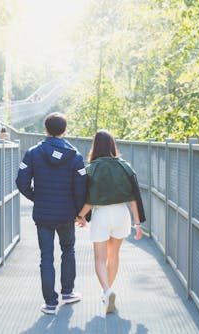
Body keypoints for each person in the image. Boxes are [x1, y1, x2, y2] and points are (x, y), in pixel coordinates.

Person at [16, 112, 87, 315]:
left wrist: (36, 198)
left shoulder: (32, 153)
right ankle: (68, 292)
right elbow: (81, 187)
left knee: (46, 256)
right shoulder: (75, 156)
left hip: (43, 214)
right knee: (68, 251)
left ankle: (49, 303)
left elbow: (21, 182)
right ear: (65, 131)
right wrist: (78, 212)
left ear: (45, 130)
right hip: (66, 214)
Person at [75, 130, 145, 314]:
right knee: (114, 255)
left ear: (95, 145)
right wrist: (138, 224)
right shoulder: (125, 166)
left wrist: (80, 216)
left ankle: (107, 291)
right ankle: (107, 292)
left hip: (101, 215)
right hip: (122, 214)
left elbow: (89, 200)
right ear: (113, 145)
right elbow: (133, 199)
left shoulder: (91, 168)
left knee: (100, 257)